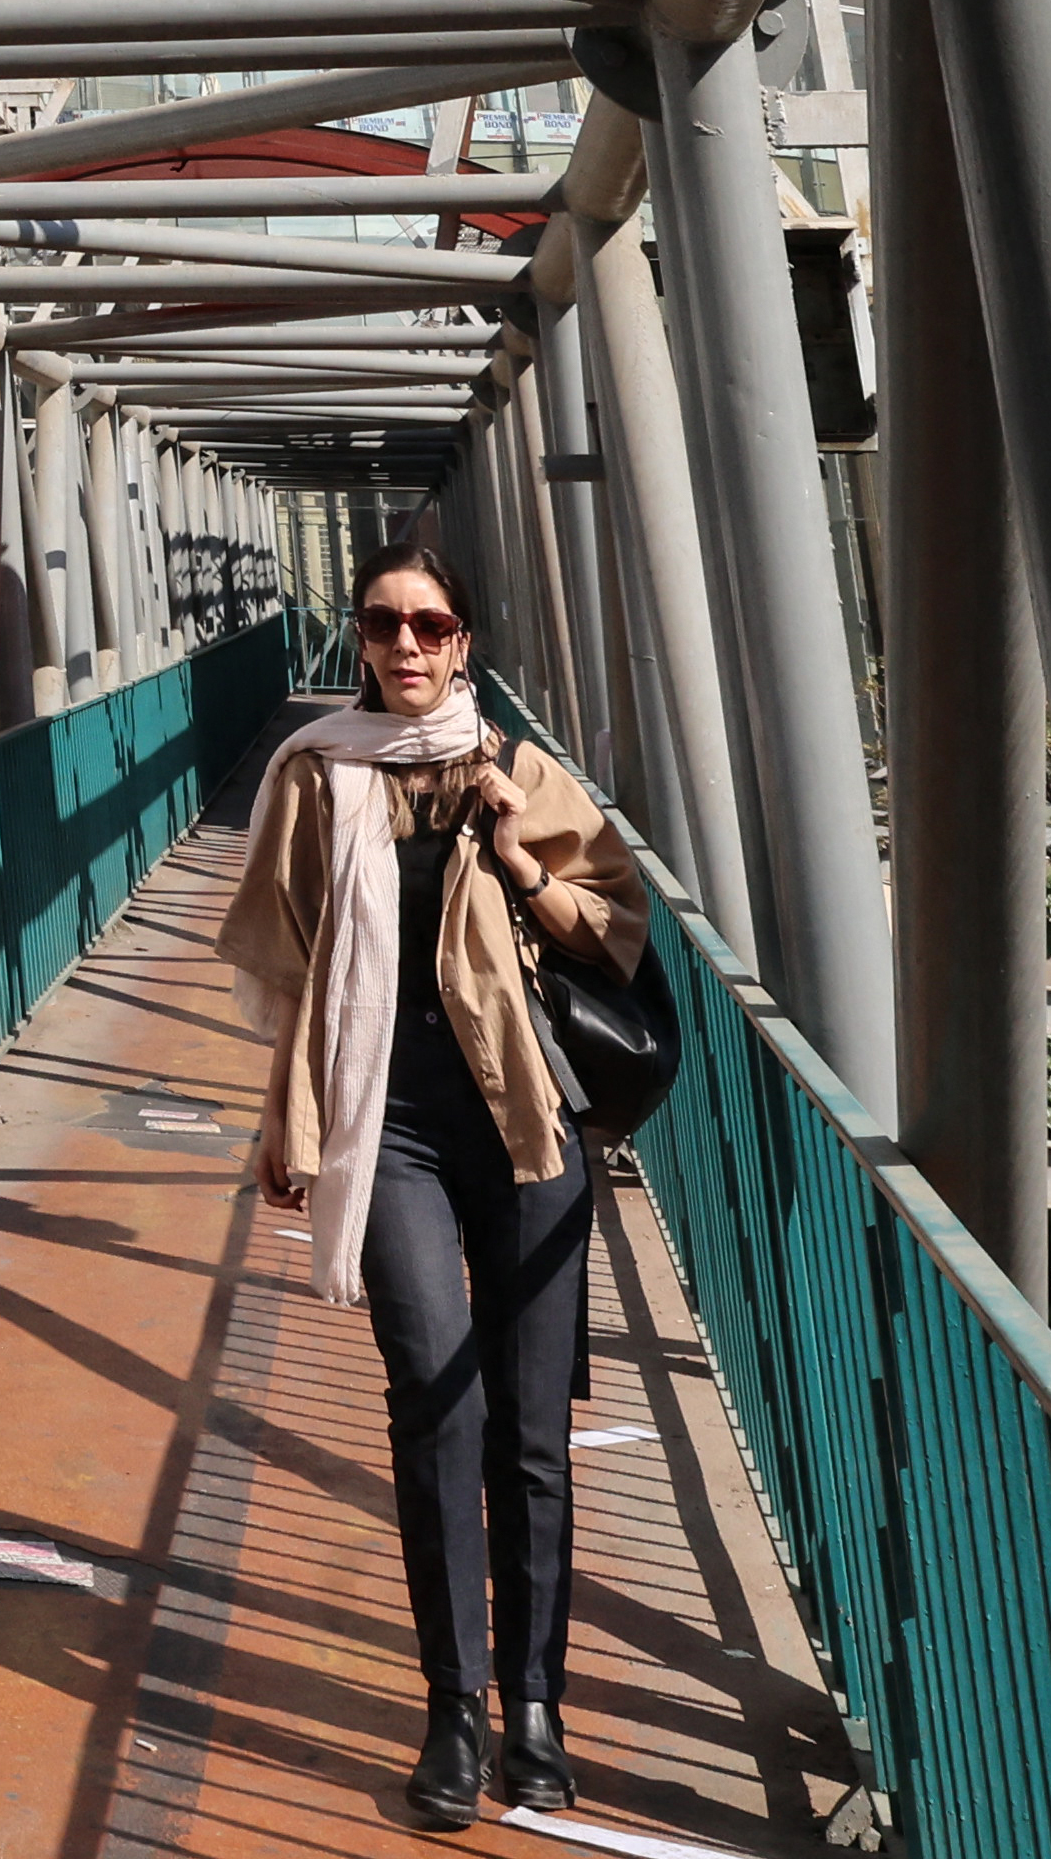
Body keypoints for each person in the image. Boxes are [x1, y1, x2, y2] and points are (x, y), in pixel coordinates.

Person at [225, 547, 641, 1833]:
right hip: (385, 1122)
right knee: (430, 1405)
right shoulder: (313, 772)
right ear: (357, 638)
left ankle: (535, 1707)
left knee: (525, 1428)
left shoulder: (517, 771)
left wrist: (519, 863)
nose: (405, 643)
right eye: (382, 623)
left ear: (462, 642)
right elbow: (281, 962)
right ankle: (451, 1706)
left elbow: (614, 926)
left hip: (520, 1125)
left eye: (430, 624)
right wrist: (283, 1120)